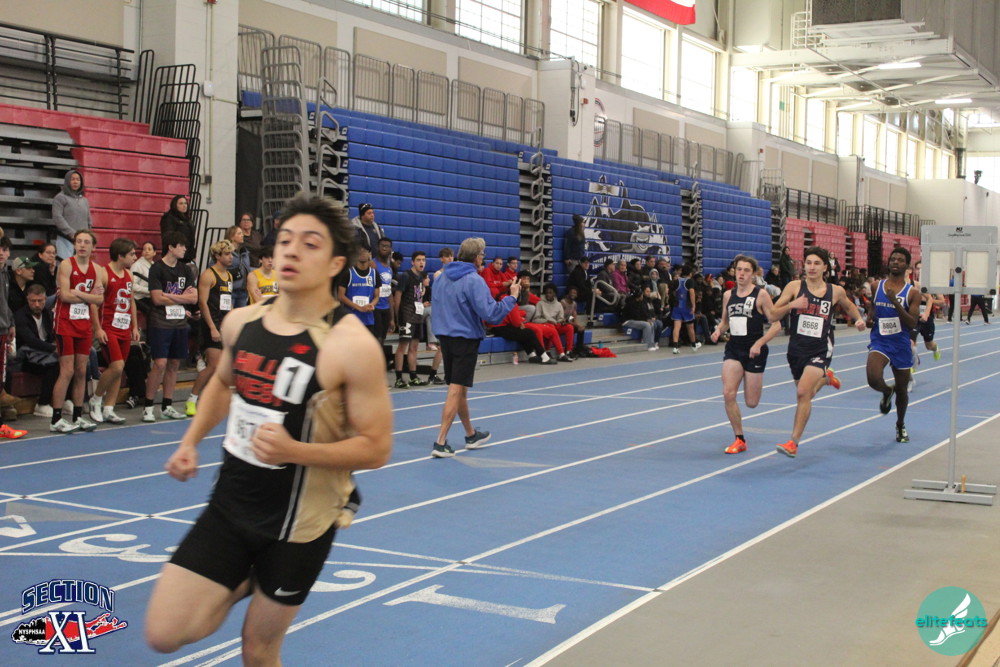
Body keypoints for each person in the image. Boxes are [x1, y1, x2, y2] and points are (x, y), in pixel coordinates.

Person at [146, 194, 392, 665]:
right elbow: (223, 383)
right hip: (232, 504)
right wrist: (190, 441)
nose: (292, 251)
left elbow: (377, 448)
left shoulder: (351, 346)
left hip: (300, 524)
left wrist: (294, 450)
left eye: (310, 243)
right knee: (165, 631)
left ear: (335, 262)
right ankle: (246, 577)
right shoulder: (242, 322)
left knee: (258, 650)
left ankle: (258, 574)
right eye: (285, 241)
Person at [769, 246, 866, 457]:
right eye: (808, 263)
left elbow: (849, 306)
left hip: (821, 348)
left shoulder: (835, 291)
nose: (811, 267)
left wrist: (858, 319)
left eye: (816, 263)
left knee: (802, 392)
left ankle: (793, 442)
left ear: (825, 268)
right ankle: (826, 379)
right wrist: (792, 305)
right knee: (807, 394)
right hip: (796, 349)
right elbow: (772, 315)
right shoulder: (794, 287)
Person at [430, 237, 519, 457]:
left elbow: (437, 307)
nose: (483, 259)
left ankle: (471, 434)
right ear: (477, 257)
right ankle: (440, 441)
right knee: (455, 388)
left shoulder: (441, 278)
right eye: (482, 255)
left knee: (460, 388)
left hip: (446, 337)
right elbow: (491, 314)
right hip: (465, 339)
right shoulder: (474, 280)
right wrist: (512, 297)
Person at [710, 255, 781, 454]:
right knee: (728, 393)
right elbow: (725, 321)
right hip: (734, 349)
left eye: (746, 270)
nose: (741, 274)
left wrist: (759, 343)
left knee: (751, 402)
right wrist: (718, 330)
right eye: (739, 269)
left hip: (754, 351)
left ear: (753, 274)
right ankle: (739, 438)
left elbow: (776, 325)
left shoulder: (761, 295)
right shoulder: (728, 295)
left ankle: (750, 380)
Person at [50, 230, 103, 433]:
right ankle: (56, 419)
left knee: (82, 371)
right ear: (74, 245)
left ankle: (78, 416)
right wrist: (89, 296)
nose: (82, 245)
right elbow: (64, 296)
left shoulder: (97, 269)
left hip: (84, 324)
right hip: (65, 323)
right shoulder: (66, 265)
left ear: (93, 247)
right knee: (67, 371)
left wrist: (79, 293)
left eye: (86, 242)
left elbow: (99, 299)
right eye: (79, 241)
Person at [865, 247, 921, 443]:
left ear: (907, 266)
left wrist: (895, 302)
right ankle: (887, 391)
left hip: (900, 344)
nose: (895, 262)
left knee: (902, 390)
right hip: (880, 341)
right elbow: (873, 308)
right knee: (873, 378)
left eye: (900, 260)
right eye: (893, 259)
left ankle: (900, 424)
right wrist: (870, 318)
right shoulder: (876, 286)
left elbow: (912, 323)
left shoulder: (913, 293)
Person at [143, 231, 198, 423]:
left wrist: (170, 296)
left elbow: (194, 298)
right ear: (171, 247)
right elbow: (157, 299)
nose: (184, 249)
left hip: (180, 322)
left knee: (174, 364)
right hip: (160, 321)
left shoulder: (186, 270)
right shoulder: (157, 268)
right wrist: (181, 298)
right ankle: (148, 406)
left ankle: (167, 405)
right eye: (181, 246)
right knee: (159, 364)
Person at [87, 238, 140, 425]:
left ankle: (109, 408)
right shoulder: (104, 273)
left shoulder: (129, 275)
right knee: (116, 366)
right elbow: (93, 303)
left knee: (119, 369)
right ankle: (96, 399)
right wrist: (97, 328)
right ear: (120, 255)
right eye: (132, 254)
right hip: (109, 327)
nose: (135, 257)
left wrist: (134, 326)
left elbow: (131, 301)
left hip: (124, 327)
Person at [187, 239, 235, 417]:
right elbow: (202, 302)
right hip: (211, 324)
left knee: (222, 367)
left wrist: (231, 321)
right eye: (227, 254)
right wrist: (212, 327)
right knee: (213, 366)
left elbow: (228, 301)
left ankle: (211, 400)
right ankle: (192, 399)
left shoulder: (229, 276)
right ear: (217, 256)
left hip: (224, 324)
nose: (231, 257)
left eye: (231, 254)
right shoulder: (208, 275)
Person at [15, 284, 59, 418]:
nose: (37, 304)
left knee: (67, 361)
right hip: (26, 357)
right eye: (33, 301)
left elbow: (54, 335)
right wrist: (54, 348)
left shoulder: (48, 314)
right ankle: (42, 404)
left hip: (45, 353)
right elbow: (31, 341)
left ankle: (67, 400)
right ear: (27, 299)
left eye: (40, 301)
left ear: (45, 299)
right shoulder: (20, 316)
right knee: (54, 365)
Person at [392, 251, 430, 388]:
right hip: (407, 315)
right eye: (418, 260)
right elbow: (397, 296)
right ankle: (398, 378)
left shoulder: (421, 277)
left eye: (423, 260)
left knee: (414, 347)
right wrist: (397, 317)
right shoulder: (406, 276)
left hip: (417, 316)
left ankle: (413, 376)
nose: (421, 262)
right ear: (413, 262)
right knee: (403, 346)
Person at [336, 247, 380, 335]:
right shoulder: (348, 273)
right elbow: (340, 296)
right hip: (351, 320)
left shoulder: (374, 273)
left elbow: (377, 296)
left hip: (368, 320)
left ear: (369, 254)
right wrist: (359, 307)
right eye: (359, 250)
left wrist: (371, 305)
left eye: (365, 251)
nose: (362, 253)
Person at [52, 169, 91, 261]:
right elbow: (57, 217)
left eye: (78, 179)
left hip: (82, 241)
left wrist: (88, 235)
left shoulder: (84, 200)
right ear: (67, 181)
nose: (75, 182)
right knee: (66, 265)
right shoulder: (60, 198)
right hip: (66, 239)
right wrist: (71, 233)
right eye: (72, 179)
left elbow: (88, 219)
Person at [532, 282, 576, 361]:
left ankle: (568, 351)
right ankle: (548, 351)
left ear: (554, 294)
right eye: (547, 293)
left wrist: (562, 321)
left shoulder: (558, 304)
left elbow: (560, 318)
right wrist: (547, 320)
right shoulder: (540, 304)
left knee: (569, 327)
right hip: (545, 325)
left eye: (550, 293)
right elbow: (535, 319)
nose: (548, 294)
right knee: (551, 327)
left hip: (556, 324)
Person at [669, 264, 701, 354]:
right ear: (690, 273)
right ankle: (694, 345)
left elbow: (672, 292)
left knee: (677, 327)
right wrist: (694, 305)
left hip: (677, 307)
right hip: (687, 307)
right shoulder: (690, 281)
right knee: (690, 327)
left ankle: (675, 347)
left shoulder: (677, 281)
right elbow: (692, 293)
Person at [622, 287, 663, 352]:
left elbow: (642, 314)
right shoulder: (631, 303)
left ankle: (652, 343)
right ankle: (648, 344)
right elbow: (635, 316)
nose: (642, 296)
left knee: (651, 323)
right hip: (627, 321)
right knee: (647, 325)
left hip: (635, 320)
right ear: (640, 296)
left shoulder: (640, 302)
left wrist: (648, 319)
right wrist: (645, 320)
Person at [159, 195, 196, 264]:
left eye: (185, 203)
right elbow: (168, 237)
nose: (184, 206)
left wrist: (193, 254)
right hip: (175, 255)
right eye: (181, 203)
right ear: (175, 205)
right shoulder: (168, 217)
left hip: (188, 255)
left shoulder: (187, 219)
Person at [227, 225, 253, 309]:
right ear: (232, 237)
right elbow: (215, 266)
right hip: (231, 290)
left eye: (242, 233)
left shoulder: (244, 251)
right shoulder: (225, 252)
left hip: (243, 290)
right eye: (239, 233)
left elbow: (247, 268)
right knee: (228, 313)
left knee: (241, 314)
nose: (242, 235)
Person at [131, 241, 157, 315]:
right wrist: (149, 290)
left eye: (149, 249)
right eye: (144, 249)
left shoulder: (155, 265)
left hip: (151, 297)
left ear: (154, 253)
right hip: (139, 298)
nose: (146, 251)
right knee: (153, 312)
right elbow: (132, 286)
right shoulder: (137, 265)